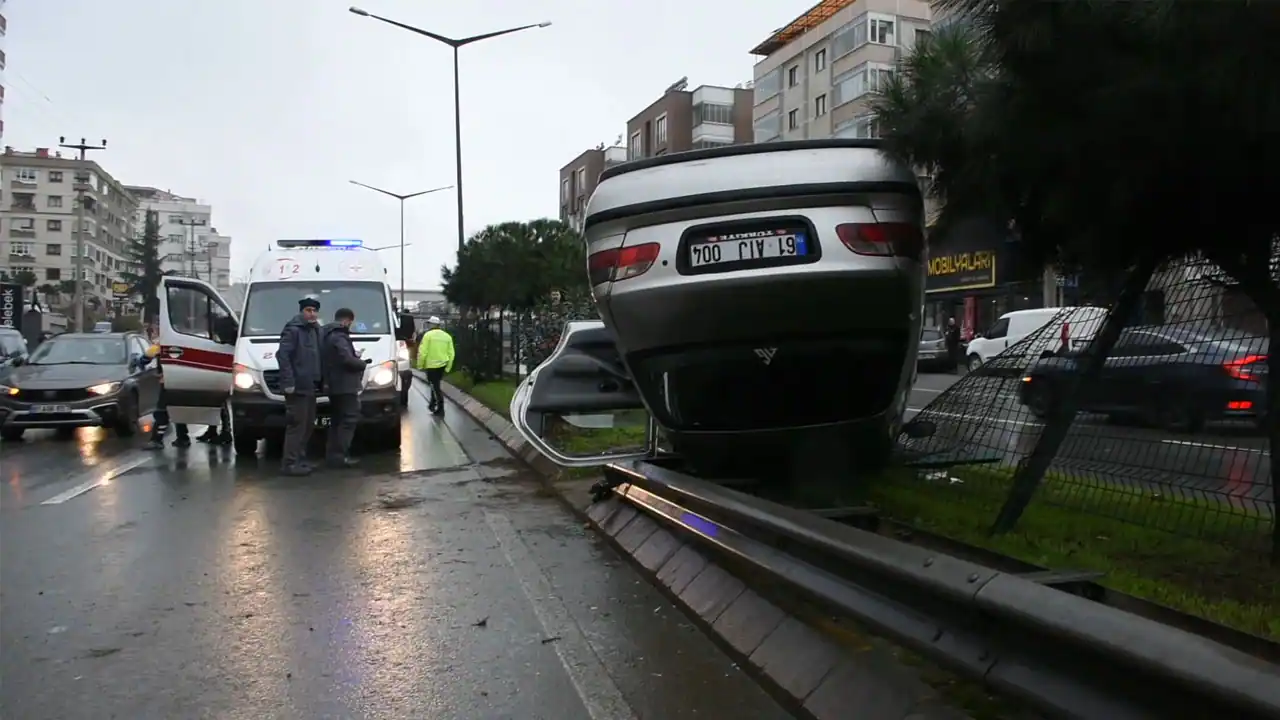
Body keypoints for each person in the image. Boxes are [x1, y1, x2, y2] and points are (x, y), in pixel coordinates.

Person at [277, 297, 323, 475]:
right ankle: (289, 464)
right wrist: (288, 382)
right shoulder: (293, 330)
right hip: (297, 387)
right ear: (301, 312)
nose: (312, 314)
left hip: (310, 386)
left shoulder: (315, 330)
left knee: (307, 425)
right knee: (297, 425)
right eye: (308, 310)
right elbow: (283, 356)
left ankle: (299, 459)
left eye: (314, 311)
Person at [320, 307, 366, 468]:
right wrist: (361, 363)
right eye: (350, 323)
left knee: (337, 421)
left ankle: (332, 455)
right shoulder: (339, 336)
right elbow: (346, 359)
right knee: (348, 420)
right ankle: (340, 456)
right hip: (345, 385)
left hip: (333, 384)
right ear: (347, 320)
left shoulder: (326, 334)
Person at [144, 343, 191, 449]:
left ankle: (157, 439)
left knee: (161, 411)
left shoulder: (162, 344)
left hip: (168, 382)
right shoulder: (182, 342)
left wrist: (139, 362)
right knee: (177, 409)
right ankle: (183, 437)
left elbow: (146, 357)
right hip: (180, 381)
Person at [415, 316, 454, 416]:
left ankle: (440, 408)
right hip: (442, 365)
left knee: (434, 386)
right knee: (435, 385)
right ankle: (432, 404)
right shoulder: (447, 336)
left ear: (432, 325)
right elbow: (451, 353)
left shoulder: (428, 335)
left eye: (429, 324)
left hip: (431, 365)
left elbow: (422, 352)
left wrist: (420, 365)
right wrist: (448, 367)